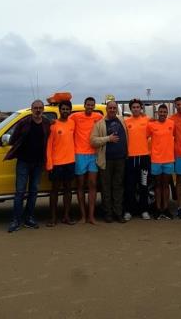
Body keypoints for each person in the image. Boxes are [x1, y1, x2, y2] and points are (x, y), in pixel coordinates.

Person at [5, 99, 51, 233]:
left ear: (43, 109)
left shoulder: (47, 123)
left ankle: (29, 218)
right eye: (35, 108)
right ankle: (16, 220)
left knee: (33, 192)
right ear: (32, 109)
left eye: (40, 108)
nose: (38, 110)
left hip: (38, 163)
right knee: (19, 192)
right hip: (23, 162)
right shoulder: (23, 123)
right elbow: (13, 139)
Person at [90, 100, 128, 223]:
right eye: (110, 108)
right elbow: (93, 141)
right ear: (106, 109)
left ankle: (118, 213)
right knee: (106, 188)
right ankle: (108, 214)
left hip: (121, 159)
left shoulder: (122, 120)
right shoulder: (99, 124)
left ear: (117, 109)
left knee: (118, 187)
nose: (112, 110)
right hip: (105, 160)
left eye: (114, 108)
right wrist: (108, 139)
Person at [72, 96, 103, 225]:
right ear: (84, 105)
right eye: (88, 105)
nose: (90, 107)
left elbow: (110, 120)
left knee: (92, 185)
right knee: (80, 186)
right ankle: (82, 216)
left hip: (93, 155)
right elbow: (61, 122)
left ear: (94, 106)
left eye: (92, 105)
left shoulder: (98, 117)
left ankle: (91, 216)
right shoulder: (75, 117)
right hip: (79, 155)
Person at [46, 99, 76, 227]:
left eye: (67, 109)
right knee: (54, 191)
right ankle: (53, 218)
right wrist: (49, 163)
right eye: (63, 109)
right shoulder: (53, 125)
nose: (65, 111)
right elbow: (49, 146)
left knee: (68, 190)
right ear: (59, 110)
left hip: (70, 161)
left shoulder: (73, 123)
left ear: (70, 111)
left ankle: (66, 216)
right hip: (57, 163)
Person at [124, 99, 151, 221]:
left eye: (137, 107)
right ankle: (129, 211)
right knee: (129, 186)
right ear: (131, 109)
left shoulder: (147, 121)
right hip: (130, 158)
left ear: (141, 108)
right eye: (133, 107)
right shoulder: (126, 122)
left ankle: (144, 210)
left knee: (144, 185)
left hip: (144, 158)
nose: (135, 109)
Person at [146, 104, 175, 219]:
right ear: (157, 113)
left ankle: (166, 208)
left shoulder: (172, 124)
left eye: (164, 112)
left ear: (167, 113)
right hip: (156, 159)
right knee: (157, 185)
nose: (162, 114)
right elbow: (144, 137)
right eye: (160, 112)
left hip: (169, 159)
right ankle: (158, 209)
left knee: (166, 185)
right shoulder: (151, 125)